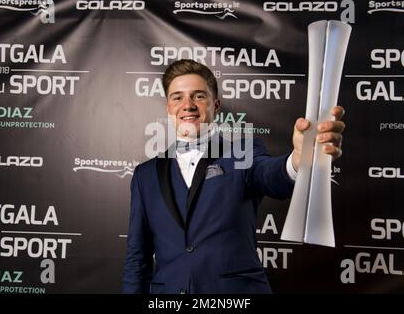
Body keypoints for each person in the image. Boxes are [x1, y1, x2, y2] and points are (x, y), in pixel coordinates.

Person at [122, 59, 345, 294]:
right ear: (168, 108)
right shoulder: (144, 175)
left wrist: (299, 158)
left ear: (215, 105)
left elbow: (272, 175)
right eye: (177, 97)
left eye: (198, 96)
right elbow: (137, 258)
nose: (187, 105)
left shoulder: (243, 154)